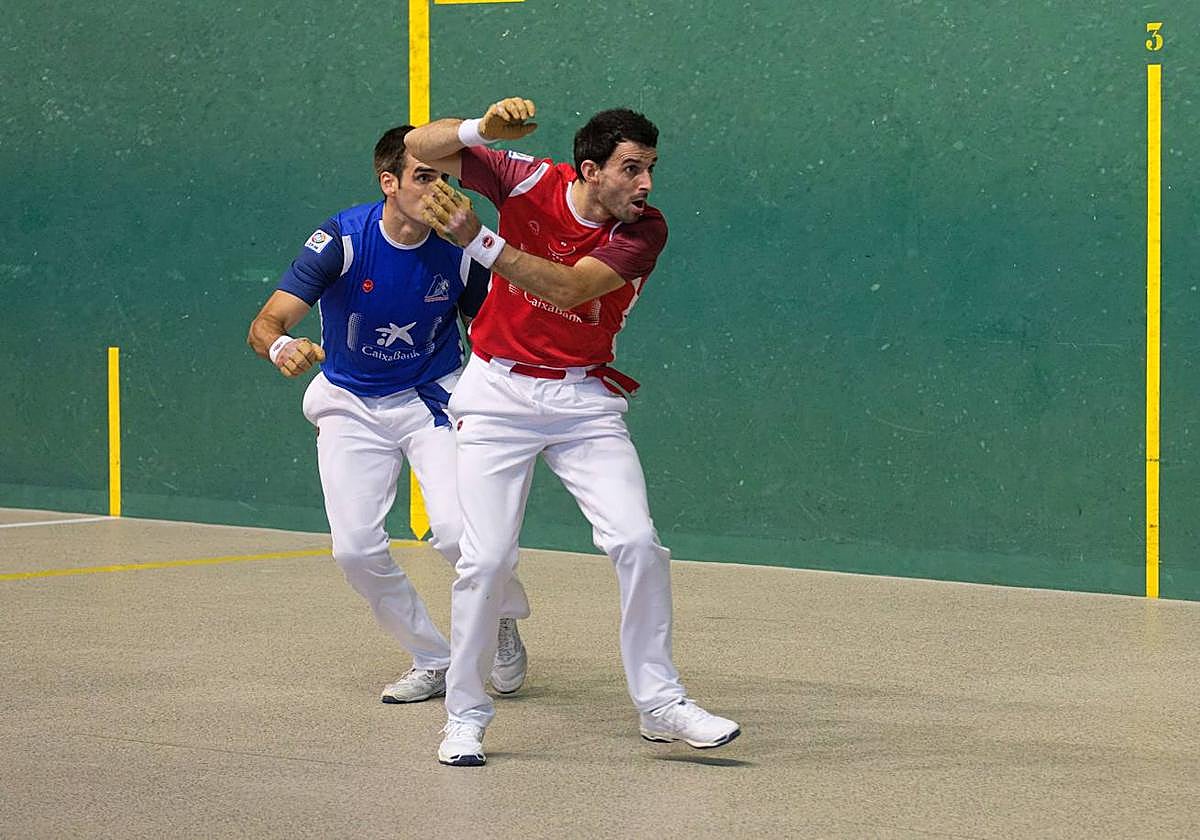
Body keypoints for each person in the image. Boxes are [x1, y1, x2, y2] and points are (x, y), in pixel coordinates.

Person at [406, 98, 741, 766]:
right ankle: (466, 715)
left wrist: (478, 239)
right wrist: (481, 131)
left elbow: (568, 289)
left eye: (650, 169)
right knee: (486, 559)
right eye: (632, 169)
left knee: (638, 543)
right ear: (590, 169)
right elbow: (422, 144)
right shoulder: (527, 178)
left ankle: (660, 704)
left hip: (583, 399)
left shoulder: (645, 232)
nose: (645, 184)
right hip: (497, 395)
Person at [246, 125, 530, 706]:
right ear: (389, 182)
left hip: (432, 398)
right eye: (423, 177)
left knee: (458, 534)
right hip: (351, 403)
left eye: (445, 178)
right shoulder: (341, 240)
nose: (438, 191)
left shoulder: (462, 249)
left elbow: (491, 333)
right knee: (354, 550)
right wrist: (282, 347)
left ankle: (501, 617)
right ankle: (433, 656)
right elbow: (266, 323)